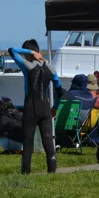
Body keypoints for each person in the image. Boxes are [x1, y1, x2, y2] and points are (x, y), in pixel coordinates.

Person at [8, 40, 61, 174]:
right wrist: (55, 107)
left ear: (30, 54)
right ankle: (52, 170)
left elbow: (12, 50)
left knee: (28, 141)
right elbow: (60, 90)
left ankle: (26, 172)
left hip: (30, 108)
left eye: (27, 54)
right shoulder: (51, 67)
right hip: (45, 108)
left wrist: (31, 53)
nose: (26, 57)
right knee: (48, 138)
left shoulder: (27, 66)